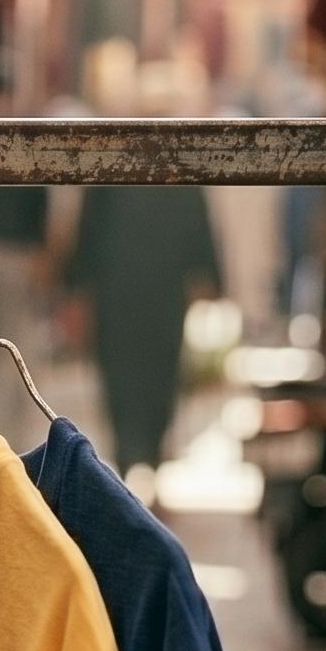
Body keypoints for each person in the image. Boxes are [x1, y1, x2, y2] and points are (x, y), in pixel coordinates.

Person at [68, 63, 222, 481]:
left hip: (156, 296)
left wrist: (209, 280)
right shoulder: (114, 166)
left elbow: (198, 230)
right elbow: (89, 233)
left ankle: (148, 456)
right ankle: (130, 456)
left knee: (160, 376)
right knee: (122, 377)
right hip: (121, 295)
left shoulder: (179, 171)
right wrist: (77, 290)